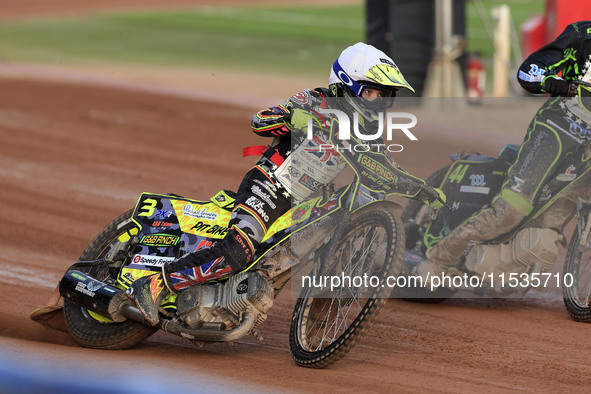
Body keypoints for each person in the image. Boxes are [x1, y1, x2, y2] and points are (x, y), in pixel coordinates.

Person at [130, 42, 445, 326]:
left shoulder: (369, 132)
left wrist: (419, 188)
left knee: (330, 228)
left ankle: (306, 307)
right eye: (371, 92)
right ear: (346, 84)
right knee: (238, 250)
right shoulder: (314, 99)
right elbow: (260, 120)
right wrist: (298, 119)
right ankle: (156, 283)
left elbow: (381, 168)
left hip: (306, 203)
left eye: (384, 96)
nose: (377, 103)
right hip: (269, 185)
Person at [424, 21, 591, 273]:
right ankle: (437, 259)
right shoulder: (582, 35)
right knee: (513, 208)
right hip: (559, 126)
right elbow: (528, 71)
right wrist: (549, 82)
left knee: (555, 212)